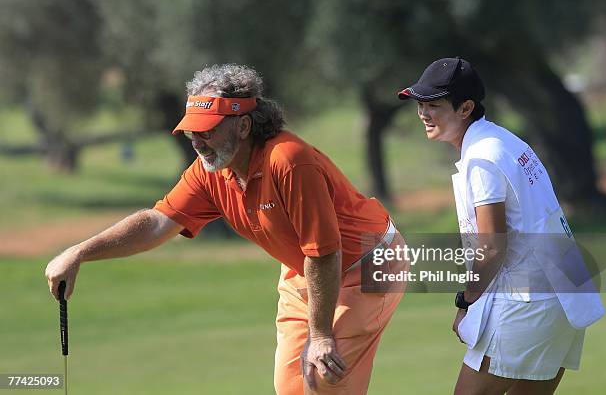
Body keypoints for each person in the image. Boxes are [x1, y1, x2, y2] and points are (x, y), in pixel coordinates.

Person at [45, 63, 407, 395]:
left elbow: (325, 252)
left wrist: (322, 334)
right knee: (292, 387)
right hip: (308, 271)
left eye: (208, 131)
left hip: (369, 262)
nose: (198, 143)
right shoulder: (210, 171)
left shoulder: (289, 161)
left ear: (244, 125)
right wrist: (79, 252)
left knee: (321, 381)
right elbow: (157, 223)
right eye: (192, 133)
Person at [397, 58, 605, 395]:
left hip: (530, 301)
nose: (423, 113)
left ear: (465, 108)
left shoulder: (482, 156)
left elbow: (492, 246)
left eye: (433, 104)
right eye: (420, 104)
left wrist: (466, 301)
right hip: (564, 290)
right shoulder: (504, 140)